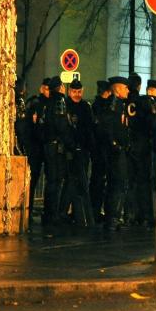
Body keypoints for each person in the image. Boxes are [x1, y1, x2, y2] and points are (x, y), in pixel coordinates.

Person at [103, 75, 135, 231]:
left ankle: (112, 217)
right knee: (119, 184)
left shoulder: (118, 104)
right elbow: (112, 128)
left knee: (115, 184)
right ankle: (114, 218)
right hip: (117, 151)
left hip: (117, 150)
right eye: (125, 88)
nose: (128, 90)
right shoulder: (115, 106)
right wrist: (115, 145)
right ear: (118, 89)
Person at [61, 79, 94, 227]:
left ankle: (74, 214)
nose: (77, 94)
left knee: (77, 182)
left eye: (79, 92)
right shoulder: (65, 105)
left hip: (82, 150)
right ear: (70, 91)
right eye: (74, 92)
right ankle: (67, 213)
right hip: (70, 150)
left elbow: (89, 129)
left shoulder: (86, 107)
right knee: (72, 182)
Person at [40, 77, 70, 228]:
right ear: (60, 87)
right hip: (56, 146)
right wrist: (68, 140)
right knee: (56, 180)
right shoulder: (60, 101)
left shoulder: (47, 102)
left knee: (50, 180)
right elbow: (61, 125)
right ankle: (53, 214)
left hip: (47, 144)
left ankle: (48, 213)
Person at [128, 77, 156, 228]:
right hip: (144, 146)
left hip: (129, 146)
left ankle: (131, 215)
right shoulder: (147, 102)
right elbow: (154, 125)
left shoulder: (126, 102)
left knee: (131, 182)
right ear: (140, 87)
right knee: (145, 182)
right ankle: (146, 216)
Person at [19, 80, 49, 228]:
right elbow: (28, 127)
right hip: (35, 147)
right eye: (47, 89)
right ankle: (28, 211)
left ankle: (33, 211)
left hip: (43, 147)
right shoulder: (35, 103)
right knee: (33, 180)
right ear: (42, 89)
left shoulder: (48, 103)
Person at [89, 80, 113, 223]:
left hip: (96, 149)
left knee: (96, 180)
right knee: (100, 181)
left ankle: (95, 210)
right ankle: (97, 210)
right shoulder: (105, 107)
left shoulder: (94, 106)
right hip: (103, 149)